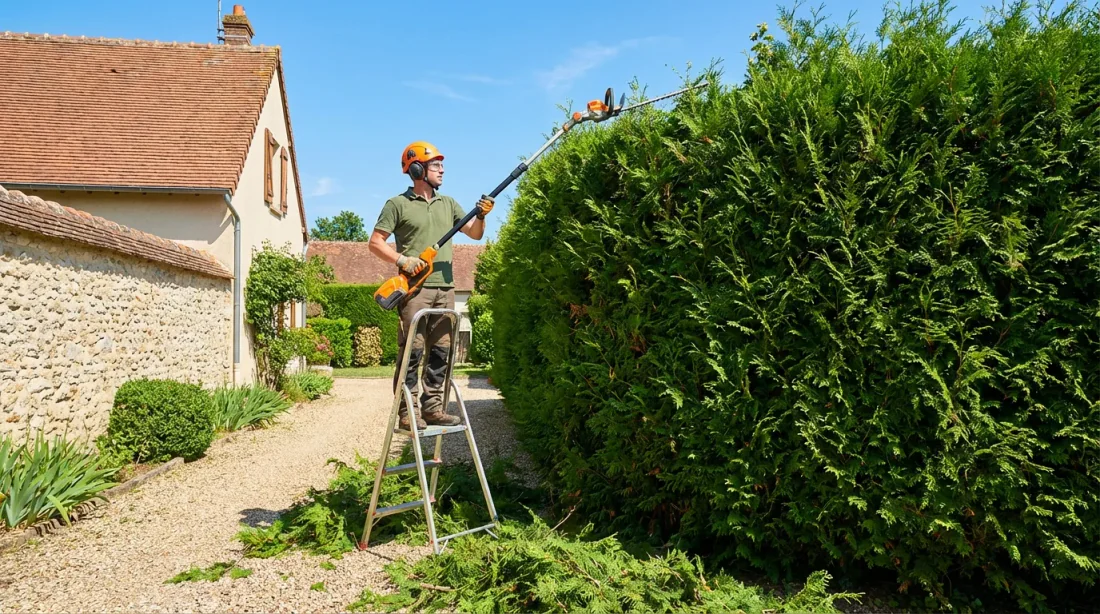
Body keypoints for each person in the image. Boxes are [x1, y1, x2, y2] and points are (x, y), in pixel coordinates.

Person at [369, 141, 494, 430]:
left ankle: (434, 408)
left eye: (441, 165)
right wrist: (402, 259)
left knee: (441, 353)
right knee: (412, 353)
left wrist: (482, 215)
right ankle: (407, 412)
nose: (442, 170)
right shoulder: (397, 205)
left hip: (445, 289)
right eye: (435, 165)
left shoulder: (448, 204)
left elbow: (474, 234)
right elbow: (375, 243)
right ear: (416, 169)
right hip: (415, 291)